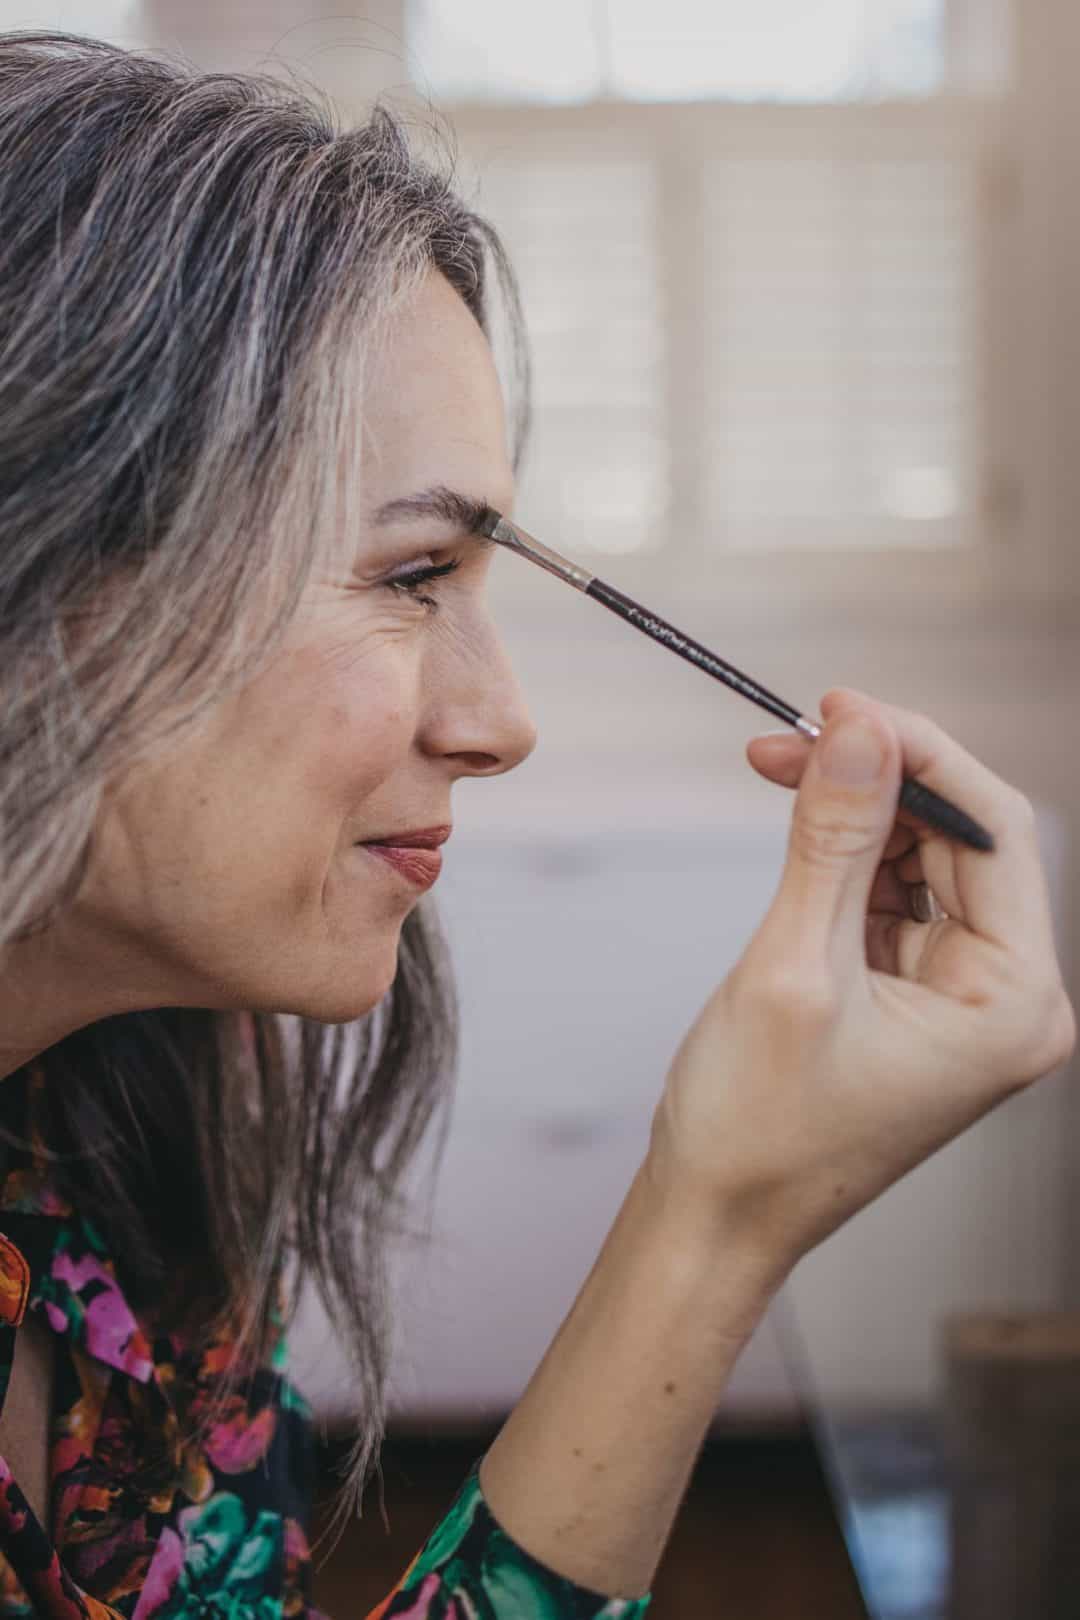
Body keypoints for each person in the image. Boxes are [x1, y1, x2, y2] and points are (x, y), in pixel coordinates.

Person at [0, 28, 1073, 1620]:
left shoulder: (135, 1110)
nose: (501, 723)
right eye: (414, 576)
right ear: (45, 562)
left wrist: (717, 1209)